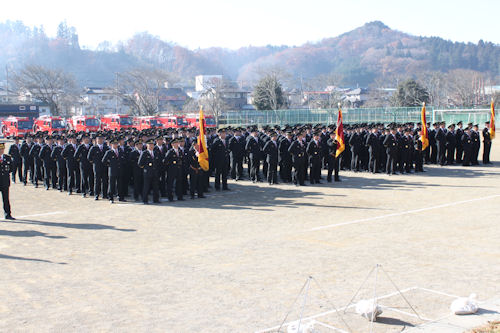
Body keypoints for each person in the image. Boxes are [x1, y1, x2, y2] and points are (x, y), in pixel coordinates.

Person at [102, 138, 126, 203]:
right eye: (114, 144)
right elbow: (104, 161)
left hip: (119, 170)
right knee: (111, 185)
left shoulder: (120, 151)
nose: (115, 145)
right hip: (112, 170)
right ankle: (111, 197)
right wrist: (110, 165)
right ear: (111, 145)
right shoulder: (109, 152)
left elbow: (123, 160)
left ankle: (120, 197)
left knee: (120, 184)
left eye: (116, 144)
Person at [138, 138, 161, 204]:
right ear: (147, 145)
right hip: (147, 172)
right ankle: (145, 200)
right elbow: (140, 163)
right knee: (146, 187)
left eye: (152, 144)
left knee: (155, 187)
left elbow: (158, 162)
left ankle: (156, 199)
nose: (151, 146)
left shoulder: (156, 152)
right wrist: (146, 168)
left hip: (155, 172)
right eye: (150, 144)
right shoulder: (144, 153)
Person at [88, 133, 108, 200]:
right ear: (96, 140)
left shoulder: (106, 147)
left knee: (105, 181)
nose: (100, 140)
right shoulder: (94, 148)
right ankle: (97, 194)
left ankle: (104, 194)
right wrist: (94, 162)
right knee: (97, 181)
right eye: (99, 139)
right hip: (97, 167)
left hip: (104, 167)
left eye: (101, 138)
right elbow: (89, 157)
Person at [0, 142, 15, 220]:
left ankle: (7, 214)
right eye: (0, 149)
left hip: (5, 182)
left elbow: (11, 169)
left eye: (2, 149)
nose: (1, 151)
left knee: (6, 199)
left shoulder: (7, 158)